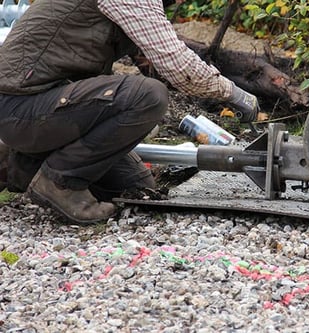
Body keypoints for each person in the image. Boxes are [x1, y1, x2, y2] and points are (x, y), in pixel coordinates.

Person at [0, 0, 260, 224]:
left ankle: (13, 162)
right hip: (19, 105)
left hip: (39, 106)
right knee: (148, 96)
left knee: (136, 186)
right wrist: (235, 94)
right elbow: (179, 66)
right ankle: (60, 182)